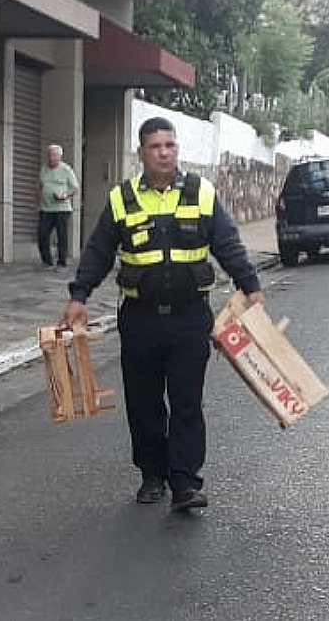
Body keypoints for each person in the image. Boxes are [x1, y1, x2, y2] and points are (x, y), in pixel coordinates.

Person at [59, 116, 265, 512]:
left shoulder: (200, 193)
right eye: (155, 146)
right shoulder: (122, 199)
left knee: (187, 401)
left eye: (170, 145)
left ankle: (185, 482)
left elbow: (228, 244)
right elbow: (99, 252)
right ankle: (152, 476)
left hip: (190, 318)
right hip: (140, 319)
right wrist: (79, 296)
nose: (164, 152)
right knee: (144, 402)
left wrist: (251, 286)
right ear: (141, 153)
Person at [37, 144, 80, 269]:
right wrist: (37, 203)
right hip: (46, 208)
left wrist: (64, 195)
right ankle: (47, 261)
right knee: (42, 234)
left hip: (62, 209)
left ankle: (62, 261)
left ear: (60, 157)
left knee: (62, 235)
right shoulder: (43, 168)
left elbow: (75, 188)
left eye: (54, 155)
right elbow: (39, 187)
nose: (51, 158)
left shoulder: (66, 169)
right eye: (49, 155)